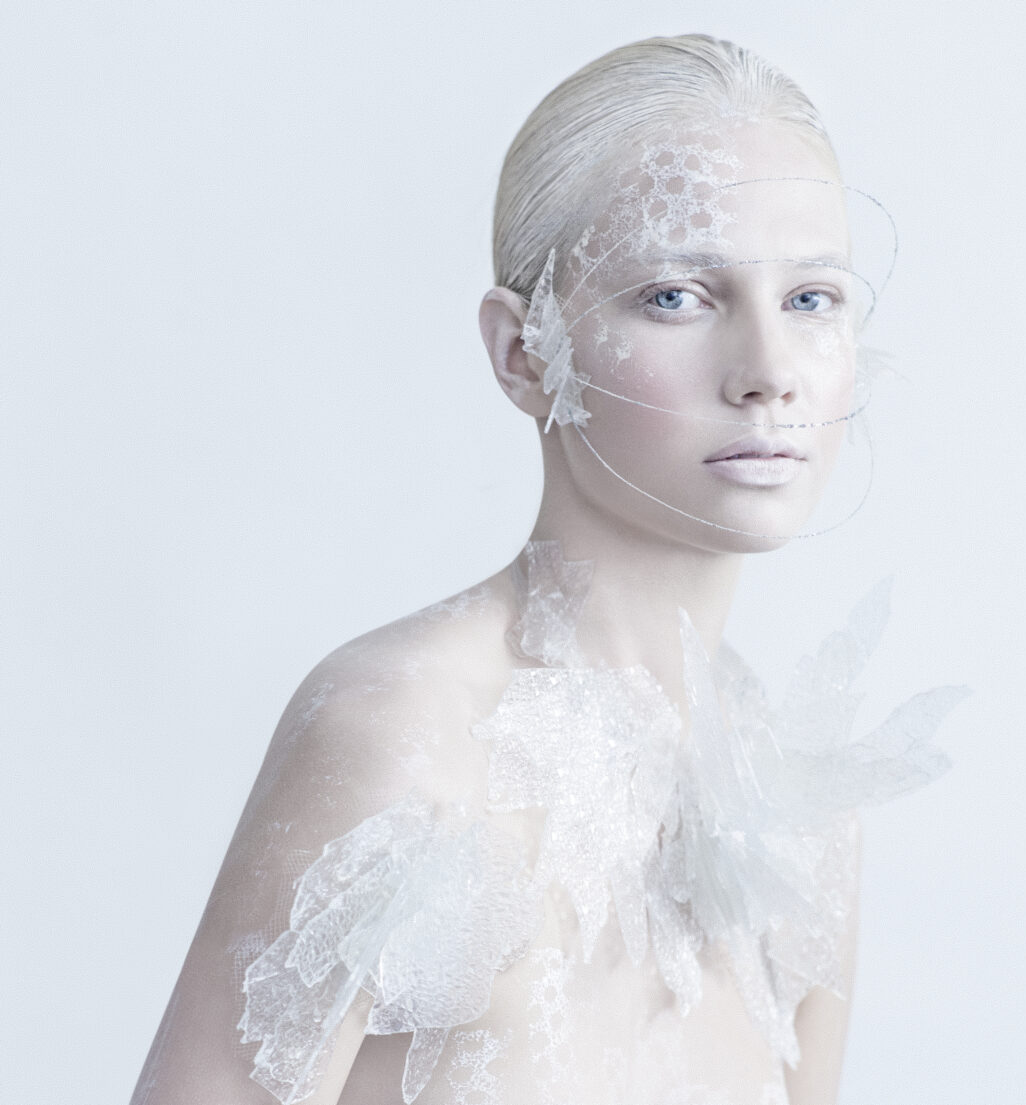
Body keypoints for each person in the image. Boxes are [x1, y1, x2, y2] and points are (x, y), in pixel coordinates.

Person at [131, 34, 960, 1105]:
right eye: (675, 295)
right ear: (523, 352)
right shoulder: (403, 736)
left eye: (810, 298)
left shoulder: (798, 814)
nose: (767, 374)